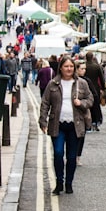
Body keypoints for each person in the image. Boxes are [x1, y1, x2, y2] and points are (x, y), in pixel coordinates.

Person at [39, 55, 93, 195]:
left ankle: (69, 183)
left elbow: (90, 99)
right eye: (66, 66)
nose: (69, 69)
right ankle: (59, 183)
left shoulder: (81, 83)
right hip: (58, 123)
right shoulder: (53, 84)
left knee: (71, 156)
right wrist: (43, 121)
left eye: (71, 66)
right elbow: (45, 103)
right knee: (58, 153)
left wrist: (81, 103)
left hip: (76, 124)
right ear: (61, 68)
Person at [84, 52, 105, 130]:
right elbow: (101, 78)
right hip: (95, 88)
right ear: (92, 57)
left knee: (87, 106)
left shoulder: (84, 66)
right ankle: (95, 122)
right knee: (95, 106)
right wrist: (103, 88)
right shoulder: (97, 66)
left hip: (86, 87)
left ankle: (88, 122)